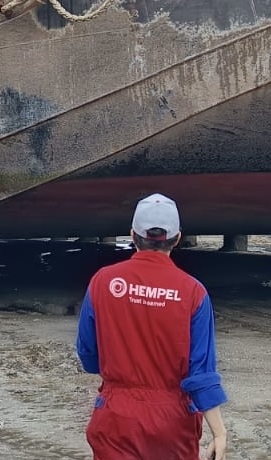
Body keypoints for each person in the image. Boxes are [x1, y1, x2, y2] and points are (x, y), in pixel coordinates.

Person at [76, 194, 228, 460]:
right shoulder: (194, 292)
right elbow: (201, 373)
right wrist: (219, 433)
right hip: (172, 422)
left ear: (133, 236)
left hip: (116, 416)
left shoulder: (102, 281)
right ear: (177, 238)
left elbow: (88, 356)